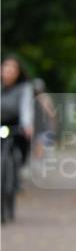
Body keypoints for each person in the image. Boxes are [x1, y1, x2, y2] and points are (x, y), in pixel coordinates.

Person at [1, 55, 34, 202]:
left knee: (23, 141)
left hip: (16, 123)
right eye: (6, 67)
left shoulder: (24, 88)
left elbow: (26, 107)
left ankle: (18, 169)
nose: (8, 71)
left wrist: (27, 125)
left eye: (12, 68)